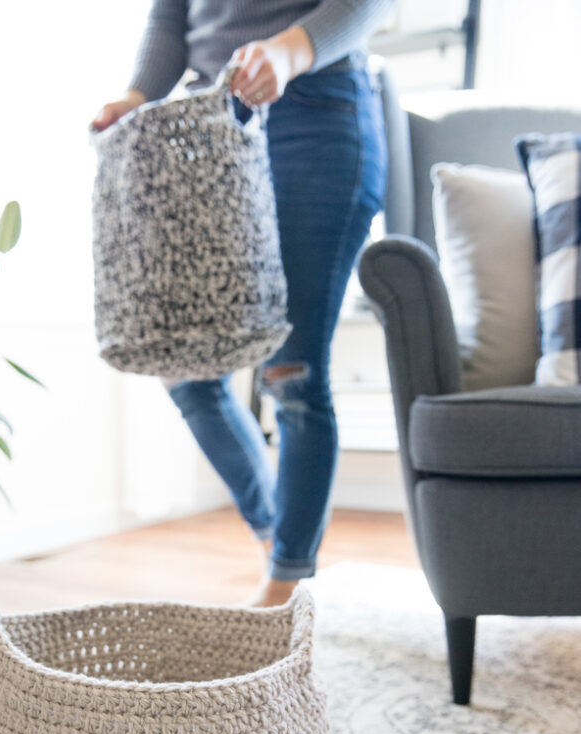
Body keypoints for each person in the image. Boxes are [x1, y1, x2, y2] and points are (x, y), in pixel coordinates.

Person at [93, 0, 392, 606]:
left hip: (318, 115)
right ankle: (279, 538)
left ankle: (284, 585)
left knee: (293, 370)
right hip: (209, 124)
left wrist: (289, 50)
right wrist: (136, 93)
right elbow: (169, 18)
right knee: (183, 369)